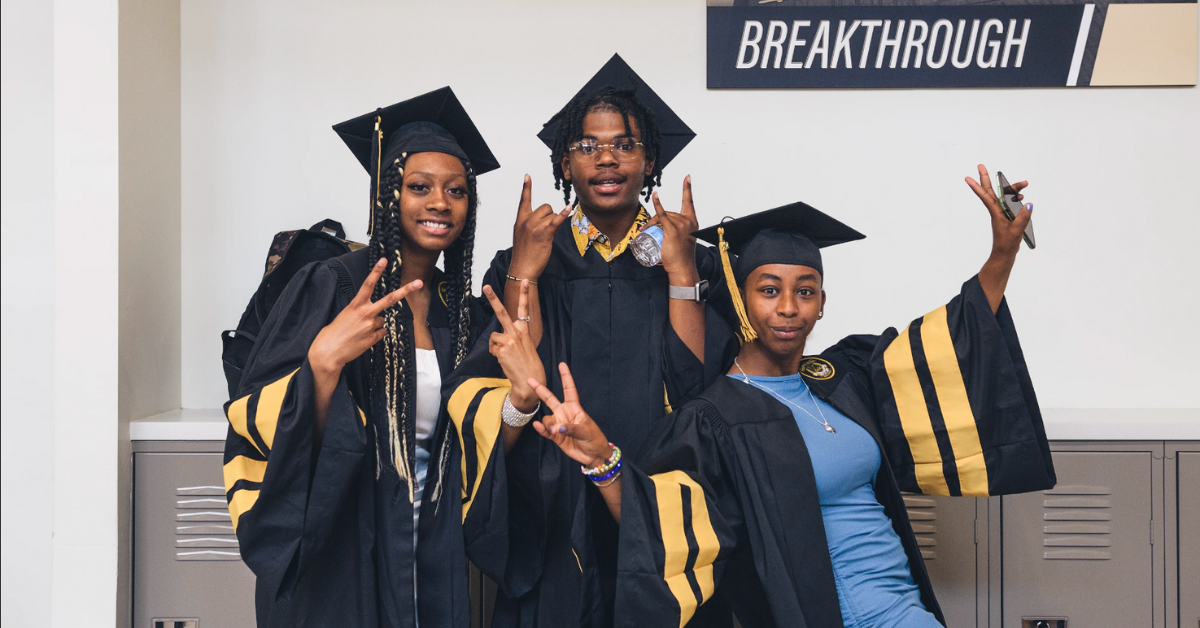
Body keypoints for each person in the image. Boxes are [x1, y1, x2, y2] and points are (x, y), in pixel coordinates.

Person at [525, 166, 1057, 628]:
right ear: (740, 297)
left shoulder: (842, 375)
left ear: (822, 304)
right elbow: (664, 521)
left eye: (805, 291)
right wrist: (604, 462)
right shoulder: (714, 417)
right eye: (768, 289)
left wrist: (1001, 255)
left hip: (903, 605)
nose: (788, 308)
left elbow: (946, 346)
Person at [444, 54, 737, 628]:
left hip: (656, 498)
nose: (606, 157)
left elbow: (702, 393)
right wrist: (524, 270)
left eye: (625, 145)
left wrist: (681, 274)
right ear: (564, 162)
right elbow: (508, 385)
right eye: (587, 145)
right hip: (553, 507)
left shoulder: (695, 262)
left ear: (649, 158)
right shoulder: (527, 256)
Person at [221, 87, 499, 628]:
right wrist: (321, 367)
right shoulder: (329, 285)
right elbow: (252, 419)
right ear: (387, 194)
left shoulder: (461, 311)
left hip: (430, 545)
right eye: (419, 187)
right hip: (341, 544)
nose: (440, 202)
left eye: (457, 190)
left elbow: (474, 441)